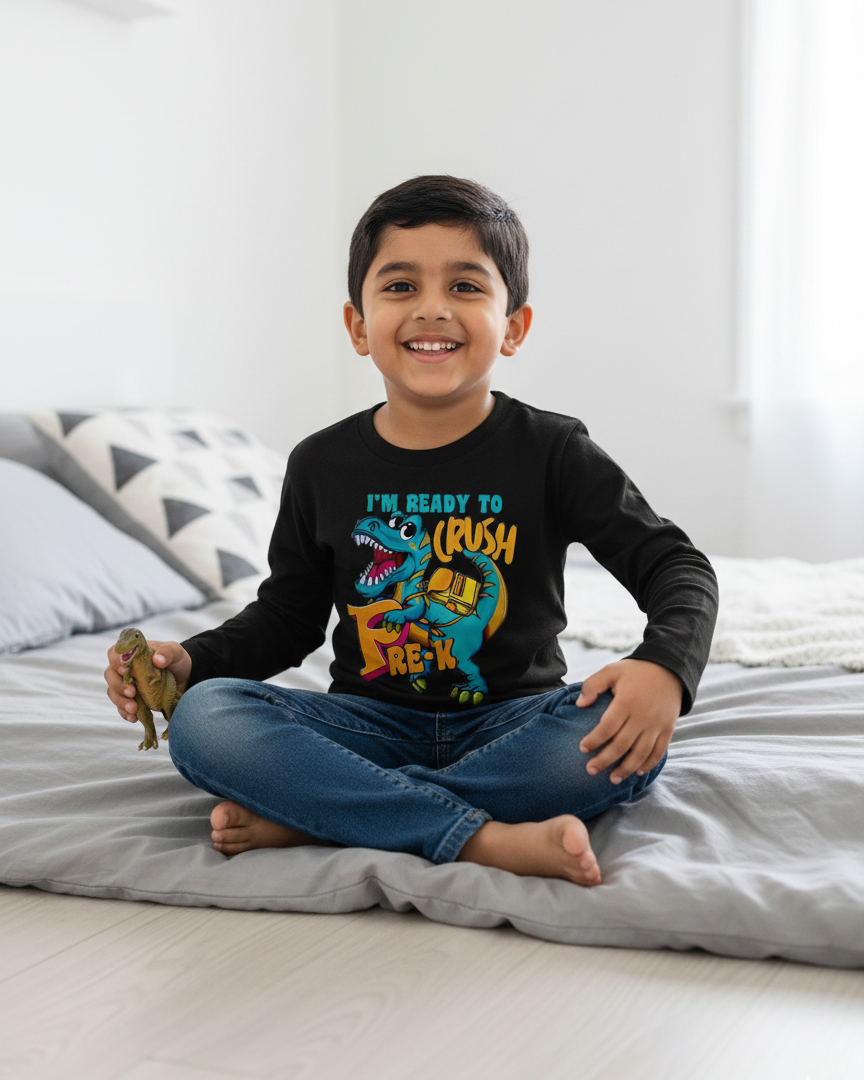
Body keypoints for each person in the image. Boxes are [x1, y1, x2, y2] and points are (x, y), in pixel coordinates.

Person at [105, 175, 718, 886]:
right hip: (365, 729)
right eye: (399, 287)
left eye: (465, 286)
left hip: (512, 726)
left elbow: (676, 566)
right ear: (358, 325)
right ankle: (482, 837)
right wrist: (194, 662)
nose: (432, 308)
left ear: (513, 326)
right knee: (207, 717)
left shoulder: (552, 451)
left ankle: (321, 815)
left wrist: (665, 669)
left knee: (617, 730)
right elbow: (287, 617)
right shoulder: (320, 462)